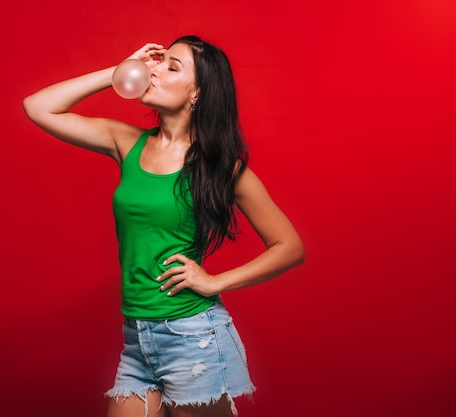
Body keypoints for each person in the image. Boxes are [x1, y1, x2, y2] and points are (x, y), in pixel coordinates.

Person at [23, 35, 304, 417]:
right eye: (157, 62)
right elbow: (38, 107)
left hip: (193, 338)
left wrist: (216, 281)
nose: (153, 70)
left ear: (196, 95)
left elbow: (289, 246)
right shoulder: (126, 142)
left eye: (172, 67)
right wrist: (116, 72)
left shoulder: (221, 169)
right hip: (137, 337)